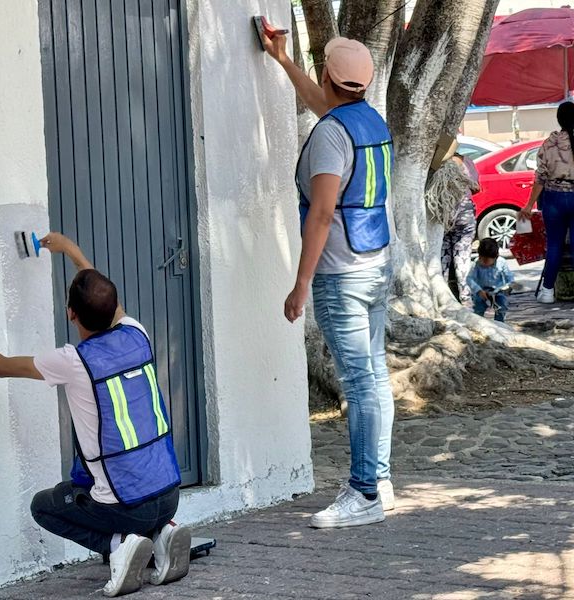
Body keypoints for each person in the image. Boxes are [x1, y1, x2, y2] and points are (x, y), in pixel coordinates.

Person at [0, 232, 191, 597]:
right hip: (170, 494)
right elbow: (101, 295)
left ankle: (119, 545)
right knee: (117, 490)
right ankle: (161, 535)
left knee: (44, 506)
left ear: (70, 313)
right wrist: (74, 251)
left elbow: (0, 366)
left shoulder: (73, 362)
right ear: (115, 307)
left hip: (126, 508)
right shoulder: (137, 333)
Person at [262, 32, 395, 528]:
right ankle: (378, 481)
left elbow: (320, 215)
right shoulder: (369, 121)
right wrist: (283, 61)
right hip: (377, 266)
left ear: (328, 75)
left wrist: (300, 284)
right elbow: (327, 106)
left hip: (341, 274)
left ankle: (363, 492)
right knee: (375, 377)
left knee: (359, 383)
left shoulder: (329, 135)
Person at [519, 101, 574, 304]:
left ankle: (548, 291)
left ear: (559, 119)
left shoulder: (549, 144)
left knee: (554, 245)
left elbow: (540, 178)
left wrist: (528, 205)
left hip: (553, 199)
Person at [441, 153, 480, 303]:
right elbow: (476, 186)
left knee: (442, 255)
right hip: (464, 211)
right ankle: (466, 297)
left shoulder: (436, 160)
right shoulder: (466, 162)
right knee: (463, 255)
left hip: (443, 211)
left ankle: (443, 297)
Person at [466, 237, 514, 322]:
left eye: (486, 261)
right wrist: (478, 290)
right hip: (481, 291)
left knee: (501, 307)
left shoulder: (501, 262)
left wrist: (509, 285)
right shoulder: (476, 263)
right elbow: (469, 278)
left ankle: (500, 324)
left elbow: (509, 277)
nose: (483, 262)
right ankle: (478, 324)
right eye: (482, 259)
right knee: (479, 308)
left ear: (496, 257)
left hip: (498, 291)